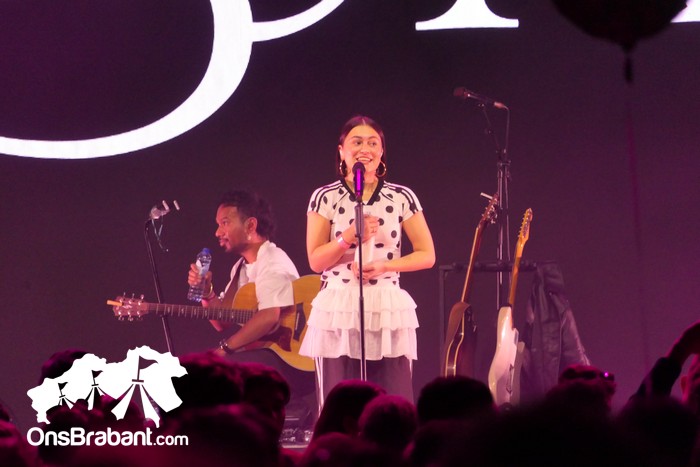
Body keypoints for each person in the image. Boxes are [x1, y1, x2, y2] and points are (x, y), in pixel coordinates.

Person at [301, 115, 435, 405]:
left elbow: (427, 255)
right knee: (340, 402)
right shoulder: (325, 197)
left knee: (393, 400)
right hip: (338, 306)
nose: (365, 149)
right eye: (357, 142)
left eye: (373, 143)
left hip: (386, 306)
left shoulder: (402, 196)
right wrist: (349, 236)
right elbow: (316, 261)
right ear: (342, 151)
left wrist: (385, 266)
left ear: (382, 151)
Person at [186, 190, 316, 424]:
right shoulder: (241, 268)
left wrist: (224, 350)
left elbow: (269, 317)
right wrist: (206, 292)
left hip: (291, 361)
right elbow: (221, 321)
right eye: (218, 224)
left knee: (214, 371)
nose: (218, 232)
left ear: (250, 225)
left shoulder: (273, 261)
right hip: (269, 355)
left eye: (225, 223)